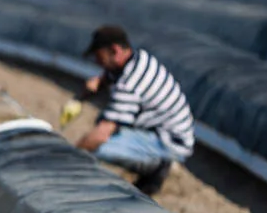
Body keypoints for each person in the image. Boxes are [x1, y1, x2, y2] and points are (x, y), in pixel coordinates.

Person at [58, 25, 194, 196]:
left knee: (100, 146)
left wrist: (70, 158)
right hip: (168, 131)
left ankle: (157, 166)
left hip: (170, 142)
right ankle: (152, 162)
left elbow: (101, 134)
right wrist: (84, 95)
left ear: (114, 50)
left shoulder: (129, 84)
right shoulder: (138, 60)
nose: (96, 62)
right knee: (103, 123)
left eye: (99, 57)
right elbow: (105, 78)